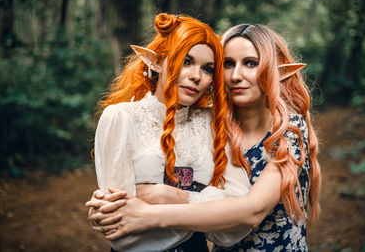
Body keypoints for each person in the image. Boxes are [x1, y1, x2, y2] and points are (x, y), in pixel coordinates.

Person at [87, 24, 321, 251]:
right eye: (228, 64)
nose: (236, 75)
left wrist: (158, 204)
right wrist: (107, 210)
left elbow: (250, 211)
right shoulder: (220, 124)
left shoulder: (287, 129)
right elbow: (119, 223)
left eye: (250, 63)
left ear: (274, 70)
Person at [87, 14, 253, 252]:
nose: (196, 76)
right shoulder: (121, 117)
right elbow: (120, 231)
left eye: (207, 69)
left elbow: (236, 223)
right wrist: (208, 208)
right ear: (155, 62)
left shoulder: (212, 123)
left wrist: (169, 196)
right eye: (186, 61)